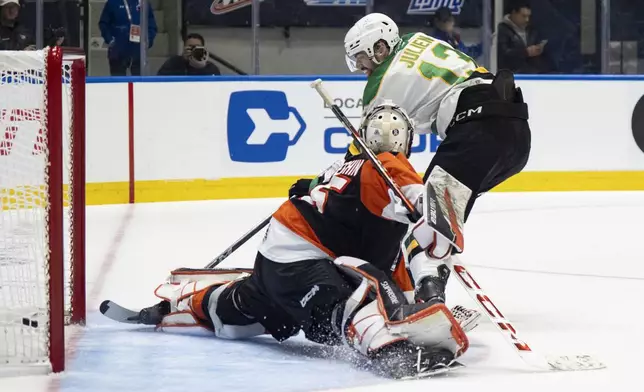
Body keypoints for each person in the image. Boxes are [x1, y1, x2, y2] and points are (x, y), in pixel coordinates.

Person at [135, 103, 471, 379]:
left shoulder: (345, 165)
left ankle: (183, 302)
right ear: (407, 143)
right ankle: (388, 348)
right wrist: (430, 287)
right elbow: (427, 214)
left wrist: (416, 303)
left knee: (244, 312)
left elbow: (387, 254)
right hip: (303, 258)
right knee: (345, 305)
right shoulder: (389, 166)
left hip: (279, 254)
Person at [343, 13, 531, 309]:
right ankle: (418, 291)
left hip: (479, 131)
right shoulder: (416, 40)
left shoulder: (382, 83)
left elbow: (367, 153)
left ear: (379, 48)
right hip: (515, 133)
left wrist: (325, 184)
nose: (361, 68)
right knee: (431, 217)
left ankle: (428, 303)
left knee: (424, 222)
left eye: (361, 58)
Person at [98, 0, 157, 76]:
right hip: (118, 51)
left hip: (138, 50)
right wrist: (110, 40)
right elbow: (103, 24)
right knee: (118, 83)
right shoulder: (112, 2)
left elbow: (152, 25)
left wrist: (147, 40)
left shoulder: (143, 4)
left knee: (138, 83)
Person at [497, 1, 551, 74]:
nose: (527, 20)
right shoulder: (501, 30)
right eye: (523, 16)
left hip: (532, 73)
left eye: (528, 16)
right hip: (511, 74)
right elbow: (502, 55)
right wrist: (525, 52)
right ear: (514, 13)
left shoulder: (531, 30)